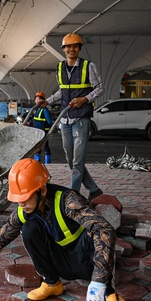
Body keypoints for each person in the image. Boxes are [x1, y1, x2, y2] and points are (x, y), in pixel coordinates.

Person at [0, 158, 129, 301]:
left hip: (87, 261)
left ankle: (109, 292)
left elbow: (105, 229)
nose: (20, 204)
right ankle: (52, 283)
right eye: (18, 199)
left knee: (96, 232)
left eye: (25, 197)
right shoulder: (25, 210)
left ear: (42, 191)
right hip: (62, 262)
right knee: (28, 229)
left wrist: (99, 278)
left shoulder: (68, 200)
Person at [42, 33, 103, 200]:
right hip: (65, 119)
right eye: (68, 46)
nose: (71, 49)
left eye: (75, 46)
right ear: (63, 49)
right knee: (71, 159)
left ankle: (73, 194)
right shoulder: (60, 67)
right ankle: (94, 189)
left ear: (79, 48)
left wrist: (84, 99)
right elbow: (62, 91)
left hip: (81, 118)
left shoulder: (88, 66)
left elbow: (99, 88)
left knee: (78, 160)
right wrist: (46, 102)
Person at [31, 91, 53, 164]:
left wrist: (49, 131)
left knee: (45, 147)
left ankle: (48, 163)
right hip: (37, 132)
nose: (37, 101)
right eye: (36, 99)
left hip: (43, 132)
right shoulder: (37, 109)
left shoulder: (44, 110)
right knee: (37, 148)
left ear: (43, 100)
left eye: (38, 99)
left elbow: (50, 122)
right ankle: (37, 162)